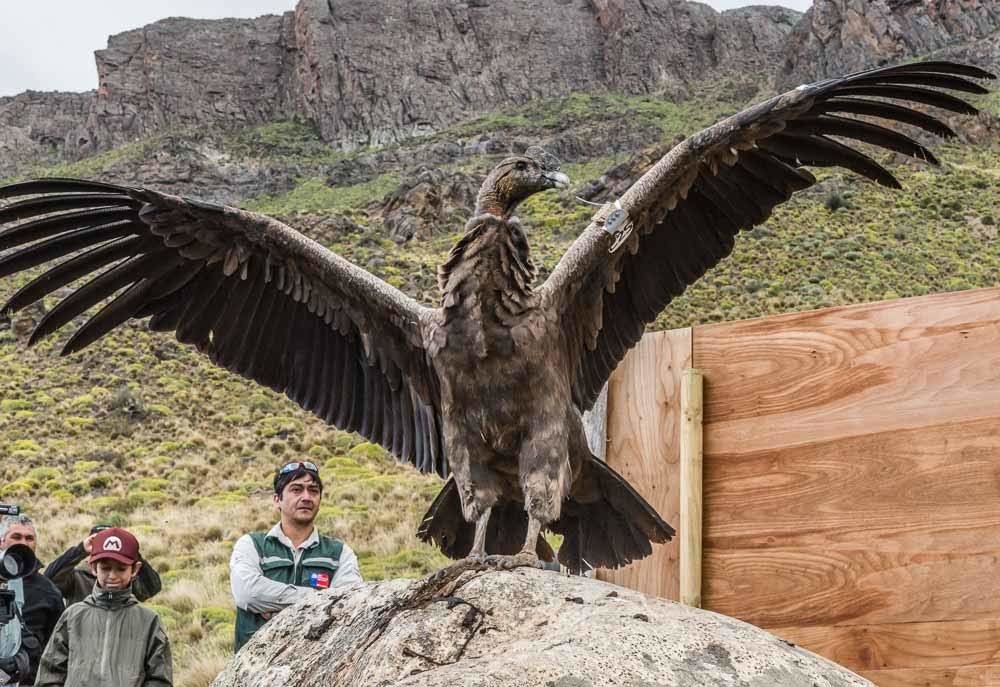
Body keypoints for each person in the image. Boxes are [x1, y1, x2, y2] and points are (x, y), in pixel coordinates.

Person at [230, 460, 363, 651]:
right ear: (277, 499)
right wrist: (317, 599)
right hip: (255, 669)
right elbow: (248, 594)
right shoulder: (251, 545)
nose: (306, 497)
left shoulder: (340, 553)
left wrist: (274, 603)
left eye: (313, 491)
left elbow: (349, 606)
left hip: (316, 668)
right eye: (296, 489)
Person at [34, 527, 172, 687]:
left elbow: (160, 679)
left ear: (135, 569)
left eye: (121, 568)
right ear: (93, 567)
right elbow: (50, 674)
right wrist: (79, 549)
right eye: (105, 568)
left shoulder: (149, 621)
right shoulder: (72, 616)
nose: (112, 576)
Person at [0, 514, 64, 686]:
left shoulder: (49, 592)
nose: (23, 542)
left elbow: (56, 648)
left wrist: (20, 662)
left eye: (29, 538)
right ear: (1, 541)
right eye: (16, 536)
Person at [44, 525, 162, 607]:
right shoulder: (77, 576)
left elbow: (152, 588)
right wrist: (80, 550)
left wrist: (130, 552)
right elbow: (49, 581)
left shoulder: (126, 576)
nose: (112, 576)